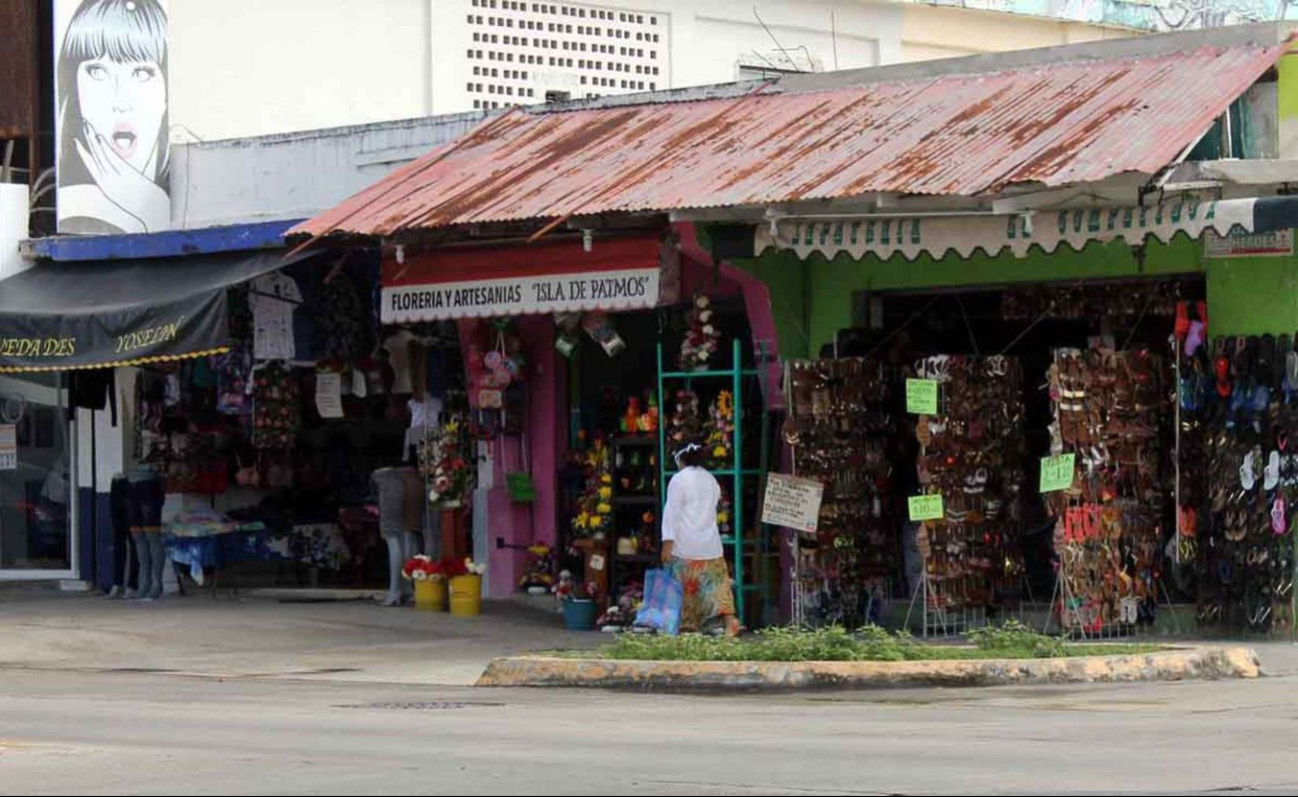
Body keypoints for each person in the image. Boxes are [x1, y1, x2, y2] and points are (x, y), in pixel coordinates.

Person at [57, 0, 170, 235]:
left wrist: (153, 207)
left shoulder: (194, 188)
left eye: (141, 73)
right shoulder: (67, 205)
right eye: (98, 72)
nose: (121, 101)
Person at [661, 441, 741, 637]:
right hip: (711, 545)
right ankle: (730, 622)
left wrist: (667, 545)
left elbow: (671, 514)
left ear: (680, 459)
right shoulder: (711, 479)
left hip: (685, 545)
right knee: (717, 588)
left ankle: (683, 628)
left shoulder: (678, 480)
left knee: (684, 590)